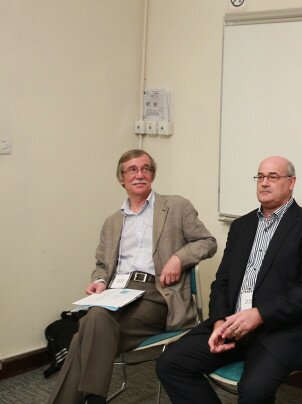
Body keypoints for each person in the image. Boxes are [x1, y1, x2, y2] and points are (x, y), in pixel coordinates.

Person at [157, 155, 302, 403]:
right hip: (232, 325)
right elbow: (222, 282)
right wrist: (219, 322)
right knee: (170, 363)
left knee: (253, 391)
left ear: (291, 182)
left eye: (273, 177)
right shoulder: (242, 226)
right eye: (260, 176)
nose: (264, 183)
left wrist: (259, 314)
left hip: (279, 330)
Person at [48, 149, 217, 404]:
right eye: (132, 170)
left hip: (156, 294)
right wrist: (99, 281)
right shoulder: (112, 222)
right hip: (116, 293)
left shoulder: (175, 206)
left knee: (86, 330)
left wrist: (178, 258)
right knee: (95, 322)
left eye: (145, 169)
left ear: (152, 174)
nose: (140, 175)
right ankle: (94, 399)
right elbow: (101, 264)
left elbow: (208, 242)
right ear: (122, 178)